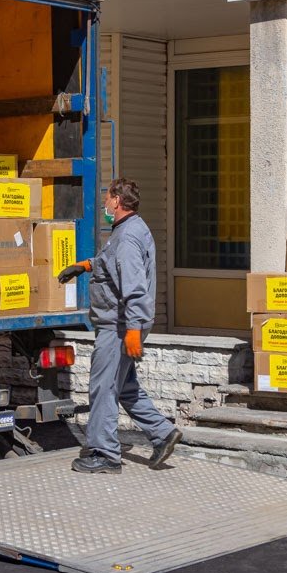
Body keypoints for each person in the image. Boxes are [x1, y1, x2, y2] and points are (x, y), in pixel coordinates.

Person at [58, 177, 182, 474]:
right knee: (124, 385)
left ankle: (105, 454)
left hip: (120, 324)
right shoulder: (129, 229)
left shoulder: (126, 236)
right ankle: (163, 433)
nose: (104, 204)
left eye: (107, 199)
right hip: (122, 321)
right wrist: (85, 266)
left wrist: (134, 330)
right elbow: (112, 263)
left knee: (103, 387)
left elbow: (134, 285)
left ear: (117, 200)